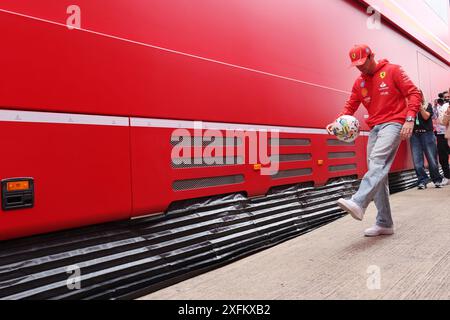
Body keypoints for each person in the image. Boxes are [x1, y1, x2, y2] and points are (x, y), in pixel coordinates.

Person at [326, 44, 421, 237]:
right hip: (375, 128)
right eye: (356, 65)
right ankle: (384, 223)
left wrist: (409, 119)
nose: (360, 68)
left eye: (362, 63)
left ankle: (359, 202)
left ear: (371, 57)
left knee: (377, 162)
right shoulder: (359, 83)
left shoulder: (393, 70)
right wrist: (337, 122)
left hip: (394, 123)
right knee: (378, 174)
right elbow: (350, 105)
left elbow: (414, 93)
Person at [410, 92, 448, 189]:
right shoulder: (409, 106)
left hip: (427, 134)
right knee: (417, 160)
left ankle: (437, 179)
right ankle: (422, 181)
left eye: (418, 95)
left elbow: (426, 116)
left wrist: (420, 107)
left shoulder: (428, 105)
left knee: (432, 159)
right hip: (415, 135)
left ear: (422, 96)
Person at [433, 98, 450, 179]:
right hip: (442, 134)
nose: (446, 99)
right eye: (445, 97)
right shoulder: (444, 107)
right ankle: (447, 176)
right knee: (443, 157)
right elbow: (442, 121)